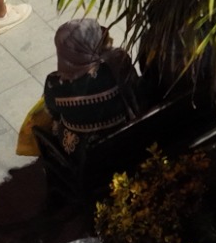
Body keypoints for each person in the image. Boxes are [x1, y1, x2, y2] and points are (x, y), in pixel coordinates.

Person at [40, 18, 141, 170]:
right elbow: (135, 87)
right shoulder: (118, 63)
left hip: (86, 158)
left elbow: (52, 112)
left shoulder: (54, 83)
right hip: (128, 140)